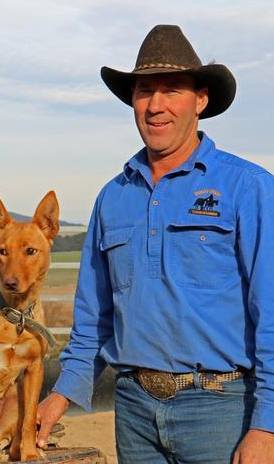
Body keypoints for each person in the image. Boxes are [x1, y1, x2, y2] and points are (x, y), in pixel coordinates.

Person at [36, 24, 274, 463]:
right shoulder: (114, 197)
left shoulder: (248, 187)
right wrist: (61, 395)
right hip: (134, 410)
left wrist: (266, 426)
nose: (156, 106)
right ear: (132, 101)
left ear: (200, 100)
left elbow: (272, 312)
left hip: (221, 410)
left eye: (172, 90)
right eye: (145, 91)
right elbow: (94, 317)